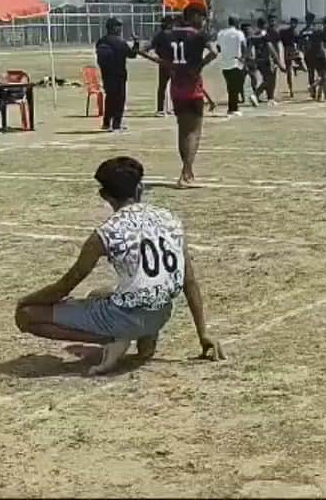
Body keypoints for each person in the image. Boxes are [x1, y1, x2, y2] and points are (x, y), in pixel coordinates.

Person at [13, 156, 223, 376]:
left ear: (104, 195)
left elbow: (64, 286)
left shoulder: (105, 234)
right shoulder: (170, 219)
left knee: (27, 315)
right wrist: (203, 334)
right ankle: (145, 335)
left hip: (127, 317)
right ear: (140, 188)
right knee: (99, 294)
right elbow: (189, 281)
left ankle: (114, 338)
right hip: (161, 313)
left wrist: (25, 301)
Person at [154, 4, 218, 188]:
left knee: (183, 131)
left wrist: (168, 64)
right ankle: (186, 172)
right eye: (203, 17)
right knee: (194, 131)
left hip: (176, 88)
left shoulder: (166, 34)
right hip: (193, 87)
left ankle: (187, 170)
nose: (204, 21)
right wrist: (199, 66)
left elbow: (143, 49)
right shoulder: (199, 35)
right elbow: (213, 52)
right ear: (195, 16)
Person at [95, 17, 138, 132]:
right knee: (119, 100)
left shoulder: (101, 41)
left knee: (110, 98)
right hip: (118, 75)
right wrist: (136, 43)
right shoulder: (119, 42)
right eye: (118, 26)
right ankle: (116, 124)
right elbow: (132, 55)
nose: (120, 29)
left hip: (106, 75)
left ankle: (106, 123)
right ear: (113, 28)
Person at [215, 17, 250, 116]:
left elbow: (218, 48)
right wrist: (243, 59)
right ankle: (233, 108)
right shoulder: (239, 33)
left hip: (224, 63)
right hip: (235, 62)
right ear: (237, 23)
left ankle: (232, 107)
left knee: (230, 86)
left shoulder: (221, 33)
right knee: (235, 86)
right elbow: (244, 46)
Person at [147, 16, 176, 116]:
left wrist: (156, 58)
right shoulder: (174, 34)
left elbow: (149, 47)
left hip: (164, 63)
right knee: (175, 86)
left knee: (162, 87)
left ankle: (160, 109)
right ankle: (174, 107)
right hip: (175, 63)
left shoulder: (159, 35)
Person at [253, 18, 280, 104]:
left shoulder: (255, 34)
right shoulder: (264, 34)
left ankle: (270, 98)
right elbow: (269, 46)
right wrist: (276, 59)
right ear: (265, 25)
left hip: (259, 59)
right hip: (266, 59)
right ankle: (256, 94)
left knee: (267, 78)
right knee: (270, 79)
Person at [276, 16, 302, 98]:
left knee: (303, 67)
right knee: (289, 71)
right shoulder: (285, 32)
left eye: (294, 23)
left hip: (293, 50)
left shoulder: (294, 32)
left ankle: (296, 68)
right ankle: (291, 89)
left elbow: (299, 42)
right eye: (292, 22)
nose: (293, 24)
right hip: (288, 50)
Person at [300, 13, 319, 98]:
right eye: (308, 19)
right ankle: (313, 90)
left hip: (316, 54)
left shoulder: (315, 30)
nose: (310, 21)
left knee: (319, 73)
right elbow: (300, 43)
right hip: (309, 54)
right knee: (311, 73)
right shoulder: (304, 31)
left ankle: (316, 88)